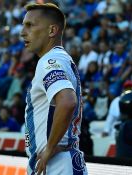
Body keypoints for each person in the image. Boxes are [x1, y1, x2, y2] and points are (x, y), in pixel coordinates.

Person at [21, 2, 87, 175]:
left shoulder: (49, 61)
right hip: (58, 162)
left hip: (56, 164)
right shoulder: (60, 59)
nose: (22, 33)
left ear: (52, 31)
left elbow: (67, 101)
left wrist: (49, 148)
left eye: (30, 26)